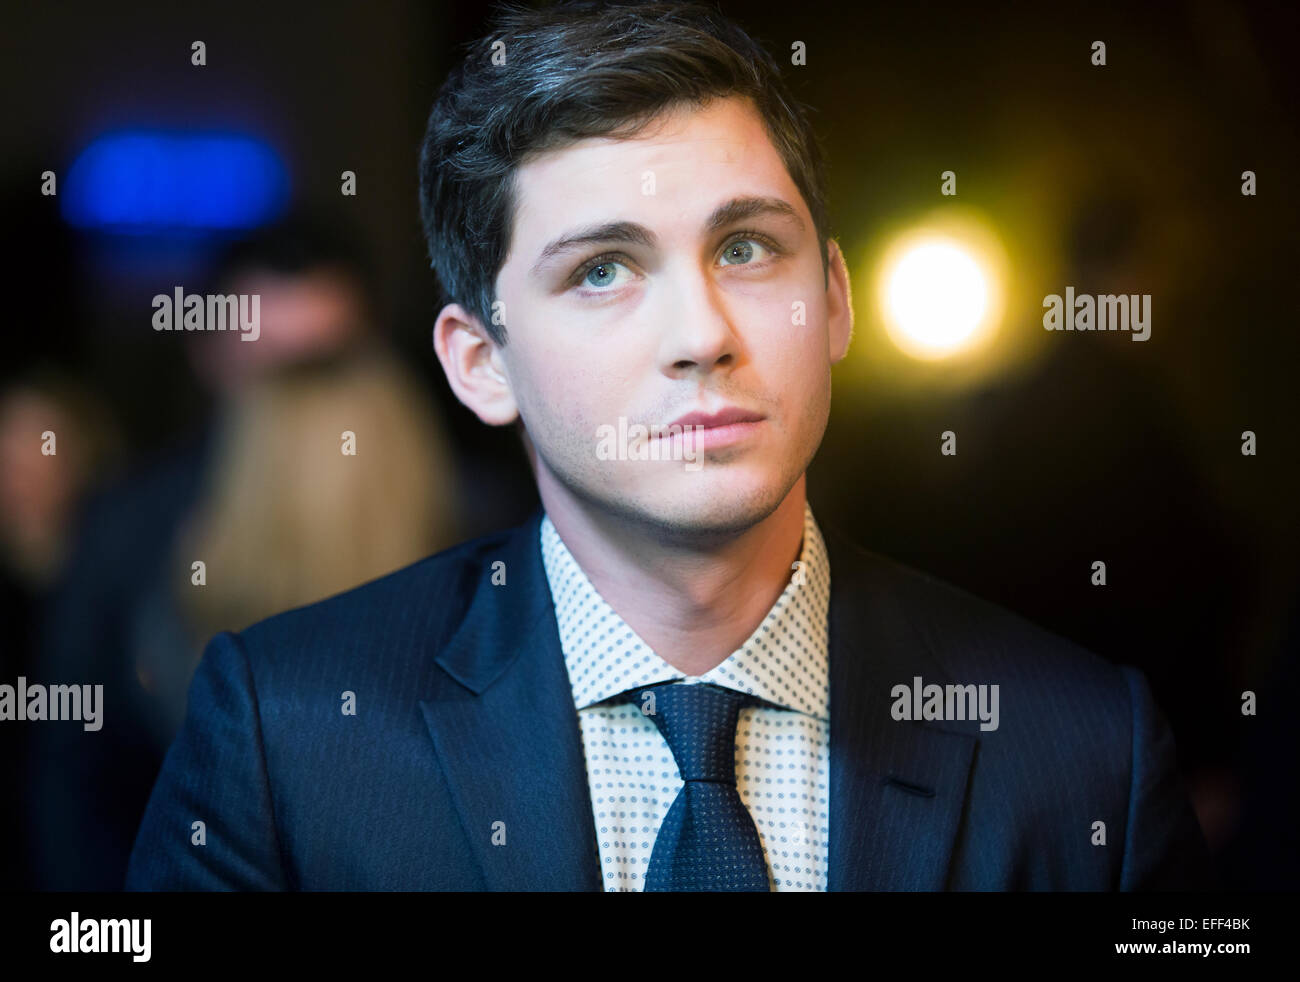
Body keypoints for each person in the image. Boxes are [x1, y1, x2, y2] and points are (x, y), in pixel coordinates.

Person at [126, 0, 1210, 891]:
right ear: (479, 363)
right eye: (601, 269)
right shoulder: (291, 738)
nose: (702, 335)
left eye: (745, 248)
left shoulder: (1080, 753)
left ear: (832, 300)